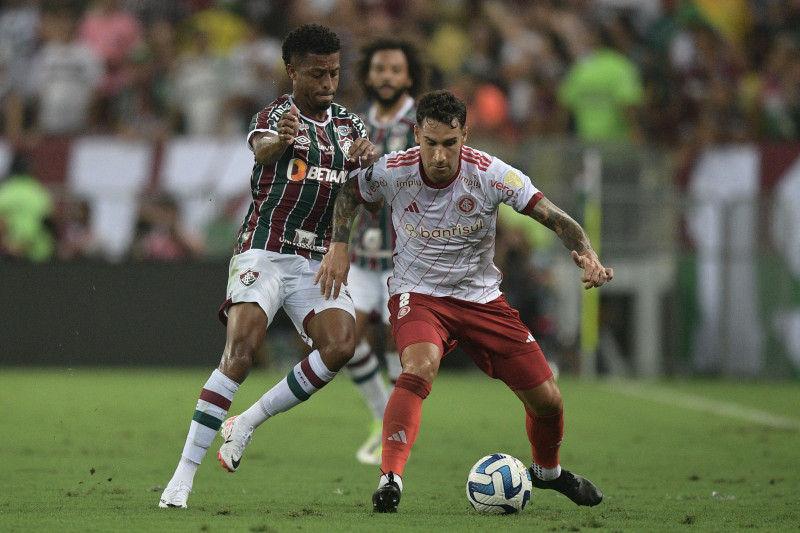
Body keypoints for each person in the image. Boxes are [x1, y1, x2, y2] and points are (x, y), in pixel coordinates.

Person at [315, 90, 613, 513]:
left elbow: (555, 217)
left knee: (549, 400)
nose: (439, 155)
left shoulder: (491, 174)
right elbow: (348, 194)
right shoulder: (393, 170)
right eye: (430, 142)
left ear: (464, 135)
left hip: (481, 299)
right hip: (418, 294)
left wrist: (588, 252)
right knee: (418, 368)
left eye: (449, 144)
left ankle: (548, 474)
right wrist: (339, 247)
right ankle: (390, 479)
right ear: (415, 133)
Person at [158, 23, 378, 509]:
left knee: (341, 345)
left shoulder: (351, 126)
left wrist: (370, 159)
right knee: (242, 349)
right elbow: (261, 150)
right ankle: (182, 478)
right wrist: (280, 142)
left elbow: (362, 192)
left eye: (334, 74)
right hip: (265, 248)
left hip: (316, 257)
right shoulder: (275, 115)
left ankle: (246, 423)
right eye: (317, 74)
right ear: (292, 71)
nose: (327, 84)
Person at [344, 37, 426, 465]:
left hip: (409, 256)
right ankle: (380, 417)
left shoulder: (423, 122)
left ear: (408, 75)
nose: (388, 77)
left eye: (396, 70)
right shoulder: (354, 123)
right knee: (340, 340)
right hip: (360, 254)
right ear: (369, 74)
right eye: (380, 69)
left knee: (403, 351)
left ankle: (396, 434)